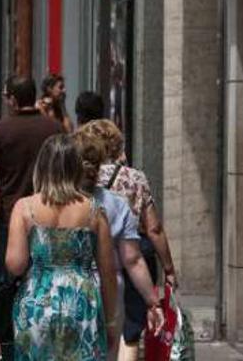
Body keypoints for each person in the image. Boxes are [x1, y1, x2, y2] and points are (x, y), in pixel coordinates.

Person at [6, 134, 117, 360]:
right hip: (81, 303)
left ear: (42, 168)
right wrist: (111, 321)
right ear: (76, 168)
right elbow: (108, 273)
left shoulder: (25, 208)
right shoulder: (95, 211)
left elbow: (15, 265)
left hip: (37, 303)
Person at [81, 120, 177, 360]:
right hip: (130, 261)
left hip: (86, 266)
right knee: (130, 330)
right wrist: (168, 267)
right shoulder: (135, 178)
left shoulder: (81, 178)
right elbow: (153, 228)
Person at [0, 76, 64, 359]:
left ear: (13, 100)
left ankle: (10, 345)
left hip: (11, 216)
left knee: (10, 282)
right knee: (47, 276)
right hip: (51, 214)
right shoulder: (54, 129)